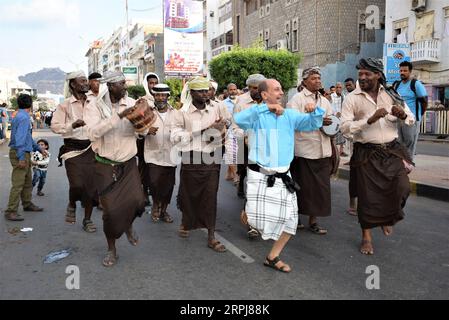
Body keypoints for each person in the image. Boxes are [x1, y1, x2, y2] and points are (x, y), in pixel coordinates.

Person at [234, 79, 325, 273]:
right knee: (257, 222)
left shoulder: (290, 115)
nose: (281, 93)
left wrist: (313, 109)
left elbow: (313, 124)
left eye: (282, 89)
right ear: (265, 95)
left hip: (284, 177)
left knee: (291, 221)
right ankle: (249, 213)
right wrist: (265, 109)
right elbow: (239, 120)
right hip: (260, 176)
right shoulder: (257, 115)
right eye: (277, 90)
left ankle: (272, 257)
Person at [341, 58, 415, 255]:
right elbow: (345, 129)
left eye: (367, 74)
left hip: (391, 151)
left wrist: (402, 115)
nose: (362, 77)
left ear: (378, 75)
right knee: (367, 197)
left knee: (402, 188)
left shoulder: (392, 94)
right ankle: (366, 237)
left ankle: (386, 219)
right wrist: (369, 120)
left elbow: (410, 118)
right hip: (366, 152)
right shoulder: (352, 98)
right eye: (361, 74)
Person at [84, 71, 147, 267]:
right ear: (110, 86)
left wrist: (142, 121)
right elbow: (93, 133)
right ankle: (112, 249)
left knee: (138, 201)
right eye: (121, 84)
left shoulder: (132, 102)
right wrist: (118, 117)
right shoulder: (93, 106)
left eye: (124, 83)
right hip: (104, 164)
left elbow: (142, 131)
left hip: (128, 162)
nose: (125, 87)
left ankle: (128, 224)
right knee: (110, 212)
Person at [171, 77, 231, 253]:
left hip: (212, 157)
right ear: (191, 93)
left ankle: (211, 236)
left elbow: (228, 120)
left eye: (207, 90)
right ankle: (186, 221)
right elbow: (175, 136)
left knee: (210, 196)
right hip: (190, 157)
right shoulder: (181, 112)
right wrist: (204, 131)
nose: (205, 94)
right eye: (201, 91)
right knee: (188, 194)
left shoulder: (217, 106)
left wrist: (222, 127)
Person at [288, 67, 334, 235]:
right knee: (302, 188)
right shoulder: (297, 100)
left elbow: (332, 122)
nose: (317, 81)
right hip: (304, 151)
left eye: (319, 78)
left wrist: (329, 124)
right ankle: (296, 218)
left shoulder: (325, 101)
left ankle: (313, 221)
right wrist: (315, 119)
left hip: (322, 150)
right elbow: (294, 123)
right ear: (305, 81)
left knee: (320, 189)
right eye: (313, 78)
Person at [51, 71, 98, 233]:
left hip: (92, 149)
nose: (87, 83)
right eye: (83, 81)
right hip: (72, 150)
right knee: (77, 185)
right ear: (73, 84)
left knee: (91, 188)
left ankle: (87, 219)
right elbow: (55, 126)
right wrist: (72, 125)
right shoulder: (64, 105)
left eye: (87, 81)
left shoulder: (95, 102)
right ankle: (72, 203)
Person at [232, 74, 266, 238]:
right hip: (246, 146)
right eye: (252, 88)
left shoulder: (270, 101)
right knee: (251, 180)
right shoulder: (241, 102)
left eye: (258, 88)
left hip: (267, 149)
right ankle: (251, 222)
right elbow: (235, 126)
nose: (255, 91)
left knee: (265, 184)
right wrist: (245, 135)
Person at [4, 94, 46, 221]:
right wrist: (21, 157)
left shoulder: (22, 116)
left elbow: (27, 137)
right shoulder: (23, 118)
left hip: (23, 152)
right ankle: (11, 211)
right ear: (31, 105)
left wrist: (39, 149)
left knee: (28, 181)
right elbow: (20, 140)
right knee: (18, 184)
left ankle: (27, 204)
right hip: (20, 152)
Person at [144, 84, 177, 224]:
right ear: (154, 96)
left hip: (171, 155)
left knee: (168, 186)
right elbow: (136, 129)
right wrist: (146, 131)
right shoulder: (147, 112)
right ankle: (156, 205)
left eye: (163, 95)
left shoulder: (176, 113)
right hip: (152, 154)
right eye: (157, 95)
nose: (160, 98)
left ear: (168, 96)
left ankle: (163, 210)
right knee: (154, 182)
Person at [393, 61, 428, 161]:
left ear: (410, 71)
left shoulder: (415, 84)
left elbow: (424, 101)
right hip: (399, 119)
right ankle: (400, 163)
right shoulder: (397, 85)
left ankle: (408, 163)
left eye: (405, 70)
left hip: (412, 120)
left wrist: (418, 116)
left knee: (410, 142)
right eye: (401, 70)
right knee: (398, 142)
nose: (402, 72)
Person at [139, 72, 160, 206]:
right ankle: (144, 193)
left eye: (155, 83)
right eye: (151, 83)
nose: (153, 85)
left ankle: (156, 195)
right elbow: (138, 120)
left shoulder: (163, 97)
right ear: (146, 84)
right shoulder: (142, 100)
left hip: (159, 139)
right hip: (144, 139)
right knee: (144, 168)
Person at [223, 83, 239, 184]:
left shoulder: (241, 101)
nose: (233, 91)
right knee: (230, 153)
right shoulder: (223, 103)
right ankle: (236, 176)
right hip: (230, 131)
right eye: (231, 90)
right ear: (227, 91)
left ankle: (229, 173)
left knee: (237, 154)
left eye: (234, 89)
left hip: (241, 131)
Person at [331, 82, 348, 157]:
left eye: (340, 87)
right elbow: (328, 106)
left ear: (342, 88)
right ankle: (335, 151)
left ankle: (341, 151)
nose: (338, 89)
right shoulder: (331, 96)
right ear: (335, 88)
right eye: (337, 87)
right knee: (334, 135)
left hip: (342, 119)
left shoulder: (343, 96)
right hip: (334, 119)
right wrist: (335, 113)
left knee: (342, 135)